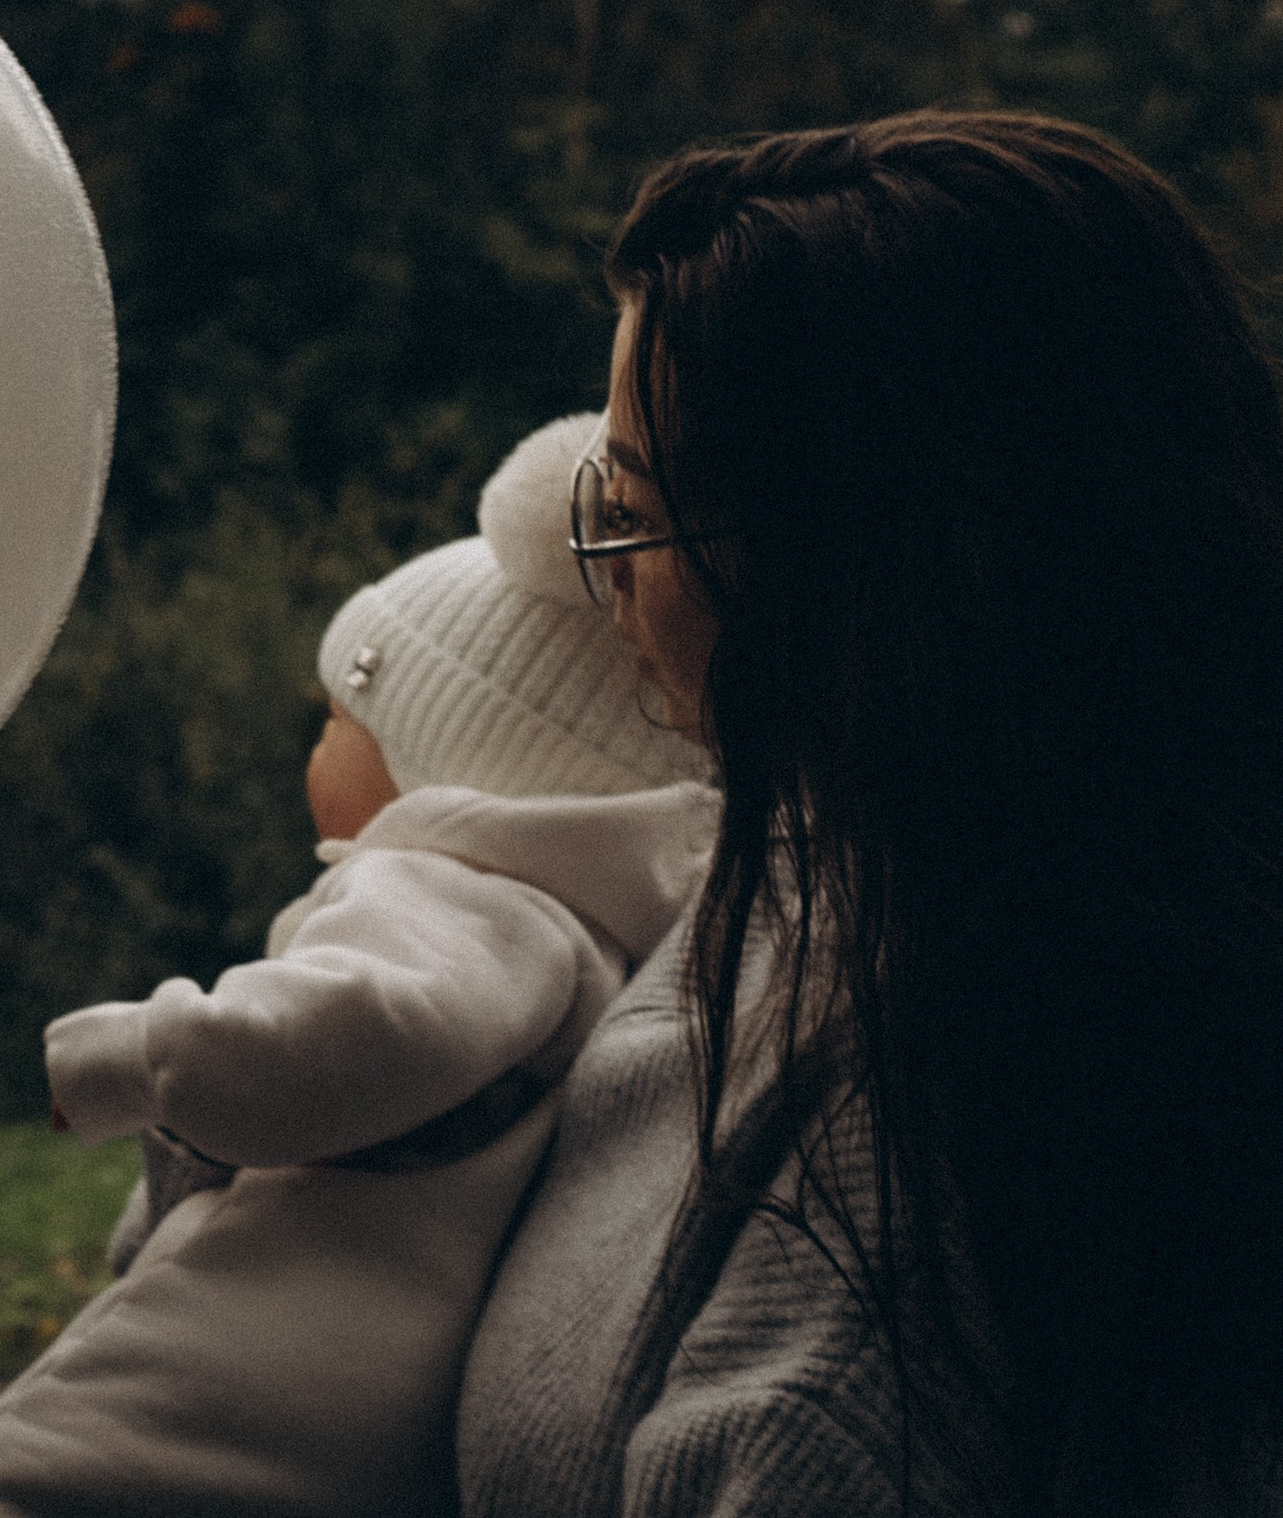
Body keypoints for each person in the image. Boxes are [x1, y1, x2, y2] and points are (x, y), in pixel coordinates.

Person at [457, 110, 1283, 1517]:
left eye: (643, 511)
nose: (618, 581)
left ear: (854, 576)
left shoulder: (890, 1227)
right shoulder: (839, 863)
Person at [0, 414, 716, 1516]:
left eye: (335, 720)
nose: (314, 751)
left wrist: (136, 1055)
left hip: (214, 1411)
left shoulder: (455, 895)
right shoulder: (586, 938)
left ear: (445, 753)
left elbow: (356, 1030)